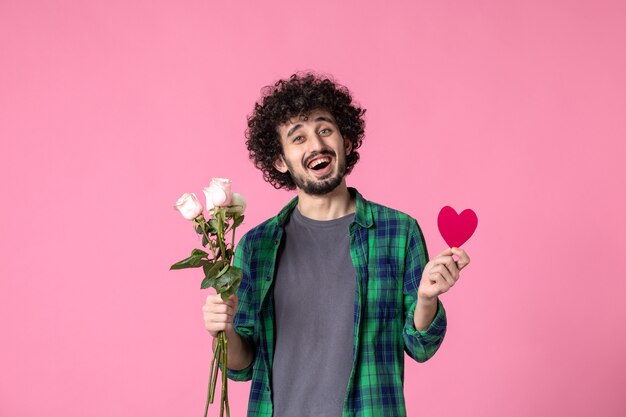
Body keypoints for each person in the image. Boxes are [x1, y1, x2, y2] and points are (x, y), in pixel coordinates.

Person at [202, 73, 470, 417]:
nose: (316, 145)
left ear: (345, 140)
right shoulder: (257, 246)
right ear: (280, 161)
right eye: (298, 138)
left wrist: (426, 299)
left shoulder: (398, 232)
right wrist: (221, 331)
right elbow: (241, 366)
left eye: (324, 130)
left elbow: (420, 346)